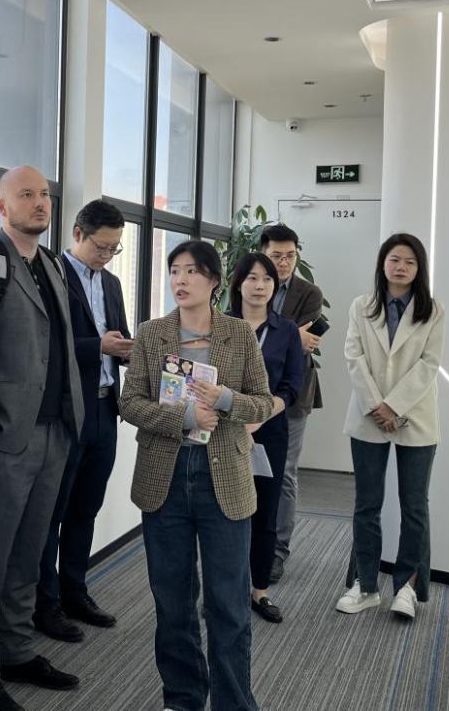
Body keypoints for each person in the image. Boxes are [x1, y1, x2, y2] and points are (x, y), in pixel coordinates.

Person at [119, 240, 273, 711]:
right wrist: (183, 417)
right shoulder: (151, 334)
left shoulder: (239, 334)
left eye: (191, 271)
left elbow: (262, 403)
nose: (180, 280)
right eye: (174, 271)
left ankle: (233, 703)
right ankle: (183, 698)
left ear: (214, 281)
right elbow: (129, 403)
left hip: (223, 477)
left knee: (228, 604)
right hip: (164, 478)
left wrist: (224, 399)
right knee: (173, 602)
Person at [0, 166, 85, 711]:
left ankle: (16, 649)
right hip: (9, 437)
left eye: (45, 196)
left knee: (31, 554)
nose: (40, 203)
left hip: (57, 429)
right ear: (1, 206)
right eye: (27, 195)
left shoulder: (52, 263)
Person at [34, 199, 133, 641]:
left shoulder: (111, 282)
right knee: (52, 512)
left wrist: (130, 349)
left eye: (114, 248)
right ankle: (45, 604)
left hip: (105, 408)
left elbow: (117, 334)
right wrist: (98, 347)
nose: (107, 256)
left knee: (86, 507)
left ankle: (75, 591)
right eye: (101, 246)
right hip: (66, 411)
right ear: (77, 234)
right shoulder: (49, 274)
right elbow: (43, 345)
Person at [336, 233, 446, 620]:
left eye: (410, 262)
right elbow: (354, 357)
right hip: (369, 416)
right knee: (367, 505)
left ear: (419, 269)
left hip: (415, 415)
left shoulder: (433, 310)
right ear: (382, 264)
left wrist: (394, 406)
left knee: (414, 506)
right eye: (394, 259)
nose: (401, 267)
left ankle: (407, 588)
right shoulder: (361, 306)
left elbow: (429, 365)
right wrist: (377, 406)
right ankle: (365, 586)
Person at [226, 253, 306, 624]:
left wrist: (260, 415)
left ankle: (259, 591)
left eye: (267, 279)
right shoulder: (221, 324)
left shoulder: (286, 330)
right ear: (238, 283)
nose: (260, 286)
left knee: (264, 511)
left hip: (269, 432)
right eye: (252, 278)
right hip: (224, 429)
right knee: (225, 514)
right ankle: (225, 591)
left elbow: (292, 385)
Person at [260, 223, 325, 584]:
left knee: (284, 472)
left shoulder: (309, 293)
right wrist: (289, 336)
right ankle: (252, 541)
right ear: (263, 253)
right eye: (276, 256)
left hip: (293, 394)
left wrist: (273, 337)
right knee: (250, 468)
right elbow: (238, 334)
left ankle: (277, 550)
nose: (283, 263)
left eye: (290, 256)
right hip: (250, 393)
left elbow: (303, 345)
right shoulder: (250, 284)